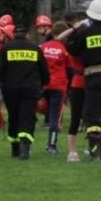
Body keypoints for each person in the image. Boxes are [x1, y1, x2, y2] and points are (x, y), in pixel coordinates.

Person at [59, 0, 101, 160]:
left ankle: (93, 149)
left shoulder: (85, 32)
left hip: (93, 75)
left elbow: (71, 48)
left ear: (90, 16)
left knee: (92, 112)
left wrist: (75, 30)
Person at [0, 21, 46, 160]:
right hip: (30, 89)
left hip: (10, 89)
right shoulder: (35, 49)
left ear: (13, 35)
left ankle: (15, 150)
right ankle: (25, 149)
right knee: (27, 117)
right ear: (27, 35)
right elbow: (44, 71)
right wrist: (43, 85)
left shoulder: (5, 49)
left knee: (14, 117)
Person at [37, 15, 68, 156]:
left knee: (40, 108)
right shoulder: (64, 50)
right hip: (59, 85)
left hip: (44, 85)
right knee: (55, 117)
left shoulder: (43, 47)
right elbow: (70, 68)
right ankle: (52, 145)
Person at [63, 12, 88, 163]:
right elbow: (59, 38)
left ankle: (74, 151)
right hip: (82, 80)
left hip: (82, 80)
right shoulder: (75, 46)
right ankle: (72, 151)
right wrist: (74, 28)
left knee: (80, 117)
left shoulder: (74, 44)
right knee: (77, 117)